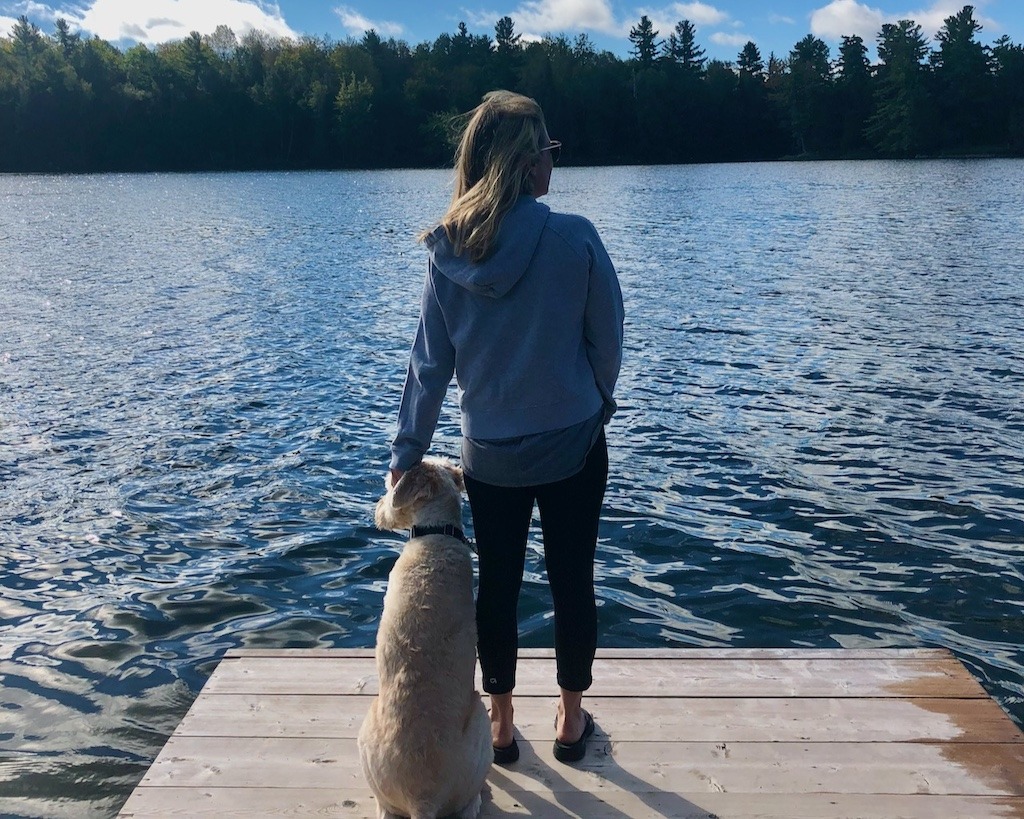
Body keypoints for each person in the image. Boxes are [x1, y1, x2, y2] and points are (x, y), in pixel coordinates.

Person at [387, 90, 624, 765]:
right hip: (574, 441)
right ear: (526, 165)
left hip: (489, 455)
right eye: (548, 152)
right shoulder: (575, 236)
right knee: (572, 578)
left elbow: (428, 366)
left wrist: (407, 454)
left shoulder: (448, 254)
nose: (554, 165)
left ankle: (498, 724)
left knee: (498, 585)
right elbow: (607, 341)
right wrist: (596, 401)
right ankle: (572, 721)